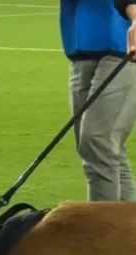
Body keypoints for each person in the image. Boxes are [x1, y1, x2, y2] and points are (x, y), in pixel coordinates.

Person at [60, 0, 136, 201]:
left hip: (123, 47)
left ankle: (101, 220)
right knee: (105, 148)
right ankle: (125, 219)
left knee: (97, 140)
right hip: (81, 48)